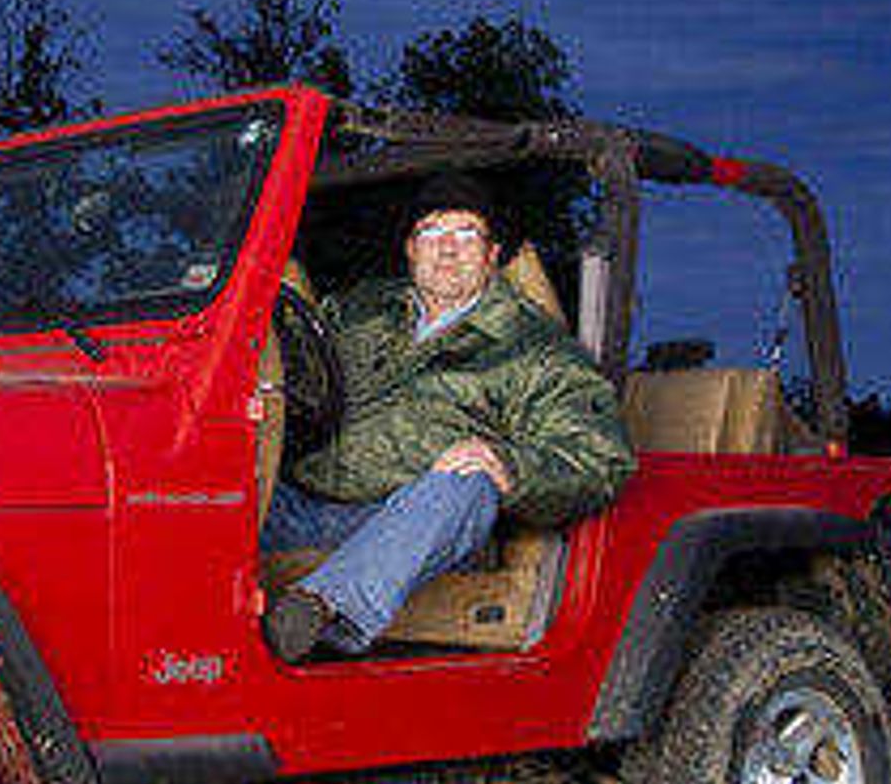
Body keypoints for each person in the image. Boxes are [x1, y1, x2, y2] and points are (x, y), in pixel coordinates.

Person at [262, 175, 633, 660]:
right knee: (206, 483)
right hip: (303, 505)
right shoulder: (360, 312)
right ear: (412, 249)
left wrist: (512, 466)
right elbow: (294, 362)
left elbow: (601, 459)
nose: (449, 249)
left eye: (466, 234)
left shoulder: (535, 348)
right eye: (434, 233)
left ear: (492, 253)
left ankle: (320, 609)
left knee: (467, 479)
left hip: (419, 522)